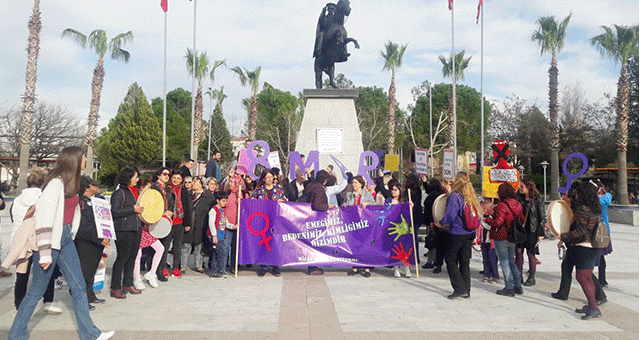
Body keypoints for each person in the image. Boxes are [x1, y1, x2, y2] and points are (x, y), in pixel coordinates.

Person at [8, 146, 114, 340]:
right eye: (83, 158)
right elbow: (44, 218)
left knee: (79, 285)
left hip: (65, 238)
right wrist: (46, 252)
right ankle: (15, 336)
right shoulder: (55, 184)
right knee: (37, 291)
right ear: (74, 160)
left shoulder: (71, 182)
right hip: (50, 240)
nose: (85, 161)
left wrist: (70, 233)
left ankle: (90, 334)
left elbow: (71, 213)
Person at [8, 170, 62, 314]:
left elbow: (15, 219)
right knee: (46, 270)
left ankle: (19, 304)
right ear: (44, 183)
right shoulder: (44, 197)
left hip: (20, 239)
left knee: (22, 274)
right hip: (39, 239)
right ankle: (48, 301)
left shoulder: (17, 200)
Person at [554, 181, 604, 320]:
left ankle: (593, 308)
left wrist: (563, 236)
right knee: (587, 277)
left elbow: (580, 231)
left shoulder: (582, 209)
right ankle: (591, 304)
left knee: (582, 277)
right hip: (593, 246)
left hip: (584, 247)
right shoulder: (595, 208)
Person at [434, 171, 480, 299]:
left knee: (450, 259)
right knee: (464, 261)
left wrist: (441, 223)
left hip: (458, 232)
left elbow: (450, 214)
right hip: (470, 231)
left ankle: (459, 288)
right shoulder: (470, 194)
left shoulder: (455, 196)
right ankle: (467, 289)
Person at [75, 176, 109, 309]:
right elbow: (84, 226)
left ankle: (90, 295)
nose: (97, 186)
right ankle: (81, 301)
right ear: (87, 188)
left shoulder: (95, 200)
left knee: (91, 271)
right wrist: (99, 239)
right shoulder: (81, 203)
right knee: (85, 272)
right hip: (86, 242)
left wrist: (106, 235)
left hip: (97, 242)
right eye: (94, 185)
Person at [485, 183, 525, 297]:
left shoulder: (502, 205)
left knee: (504, 262)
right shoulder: (517, 204)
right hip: (513, 236)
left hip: (501, 236)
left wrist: (487, 220)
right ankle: (518, 286)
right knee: (511, 261)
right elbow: (521, 218)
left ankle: (509, 287)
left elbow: (498, 222)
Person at [110, 167, 144, 299]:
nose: (137, 179)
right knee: (122, 258)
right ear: (127, 178)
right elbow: (114, 211)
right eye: (135, 177)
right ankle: (115, 287)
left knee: (132, 258)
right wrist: (133, 209)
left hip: (135, 228)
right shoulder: (120, 193)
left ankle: (128, 283)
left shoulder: (134, 191)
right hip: (123, 229)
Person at [252, 169, 287, 277]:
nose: (269, 179)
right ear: (263, 179)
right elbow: (252, 201)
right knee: (264, 243)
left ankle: (275, 267)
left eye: (271, 177)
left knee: (276, 243)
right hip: (263, 221)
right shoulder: (259, 190)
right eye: (267, 177)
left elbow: (285, 201)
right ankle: (263, 266)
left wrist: (282, 202)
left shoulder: (278, 189)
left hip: (276, 220)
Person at [132, 178, 164, 290]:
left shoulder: (149, 199)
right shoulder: (135, 198)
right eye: (148, 187)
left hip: (146, 229)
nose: (150, 190)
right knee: (138, 254)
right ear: (141, 188)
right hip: (137, 229)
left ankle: (152, 273)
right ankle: (136, 278)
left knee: (160, 248)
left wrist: (154, 219)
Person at [301, 170, 334, 275]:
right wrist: (327, 206)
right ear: (325, 181)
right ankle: (312, 267)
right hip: (315, 219)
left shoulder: (311, 185)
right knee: (314, 241)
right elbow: (317, 205)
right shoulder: (319, 190)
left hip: (307, 217)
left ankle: (311, 265)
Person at [516, 179, 546, 286]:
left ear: (529, 187)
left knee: (530, 252)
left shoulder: (537, 199)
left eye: (522, 186)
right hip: (521, 229)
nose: (520, 188)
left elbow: (542, 216)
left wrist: (541, 233)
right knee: (518, 251)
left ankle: (531, 277)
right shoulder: (519, 198)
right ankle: (518, 275)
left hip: (532, 230)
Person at [183, 177, 216, 273]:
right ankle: (183, 266)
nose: (192, 183)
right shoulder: (188, 194)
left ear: (201, 183)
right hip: (189, 222)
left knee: (199, 245)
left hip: (202, 223)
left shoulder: (208, 196)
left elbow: (212, 210)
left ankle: (199, 265)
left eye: (195, 181)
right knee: (186, 245)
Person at [344, 175, 375, 277]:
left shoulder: (367, 194)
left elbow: (374, 205)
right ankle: (355, 267)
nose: (354, 185)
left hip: (365, 224)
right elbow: (344, 204)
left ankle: (367, 268)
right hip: (353, 224)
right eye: (352, 183)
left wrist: (367, 204)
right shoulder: (349, 194)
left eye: (356, 183)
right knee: (354, 245)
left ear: (361, 184)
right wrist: (344, 205)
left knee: (366, 245)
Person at [164, 170, 192, 278]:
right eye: (174, 178)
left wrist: (187, 223)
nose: (176, 180)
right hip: (168, 221)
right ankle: (163, 267)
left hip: (179, 222)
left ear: (181, 180)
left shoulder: (184, 191)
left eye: (178, 178)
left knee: (177, 247)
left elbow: (187, 207)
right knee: (165, 246)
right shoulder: (167, 190)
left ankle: (176, 267)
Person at [151, 167, 175, 282]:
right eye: (164, 174)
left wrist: (170, 212)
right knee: (154, 247)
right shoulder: (153, 188)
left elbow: (171, 203)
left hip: (166, 220)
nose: (167, 176)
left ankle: (160, 269)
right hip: (155, 220)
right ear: (159, 175)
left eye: (168, 174)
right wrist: (161, 213)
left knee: (164, 247)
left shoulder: (168, 190)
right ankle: (153, 270)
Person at [386, 180, 412, 278]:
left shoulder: (404, 202)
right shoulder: (388, 201)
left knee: (405, 247)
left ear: (400, 191)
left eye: (396, 190)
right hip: (392, 227)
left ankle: (406, 268)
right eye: (392, 190)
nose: (393, 192)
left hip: (403, 229)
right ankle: (396, 267)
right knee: (395, 248)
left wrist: (410, 207)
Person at [421, 177, 445, 270]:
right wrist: (424, 182)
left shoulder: (433, 196)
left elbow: (433, 209)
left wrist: (432, 221)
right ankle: (434, 260)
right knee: (433, 241)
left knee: (432, 241)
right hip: (433, 221)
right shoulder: (437, 194)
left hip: (432, 221)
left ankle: (431, 260)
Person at [208, 192, 232, 278]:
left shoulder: (222, 211)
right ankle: (216, 271)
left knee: (216, 254)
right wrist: (214, 235)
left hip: (221, 236)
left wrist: (233, 226)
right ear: (218, 200)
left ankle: (218, 271)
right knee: (220, 253)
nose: (224, 203)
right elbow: (211, 223)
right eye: (223, 201)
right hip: (215, 236)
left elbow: (226, 223)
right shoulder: (213, 210)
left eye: (226, 201)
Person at [595, 180, 612, 287]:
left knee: (600, 256)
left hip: (601, 230)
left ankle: (602, 279)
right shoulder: (605, 197)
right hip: (603, 229)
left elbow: (603, 201)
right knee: (601, 257)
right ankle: (602, 279)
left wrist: (599, 192)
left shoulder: (602, 198)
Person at [479, 198, 500, 284]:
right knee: (485, 257)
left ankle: (495, 275)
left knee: (492, 258)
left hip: (492, 238)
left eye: (486, 202)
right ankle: (486, 274)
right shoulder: (482, 216)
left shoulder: (496, 212)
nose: (484, 204)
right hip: (484, 238)